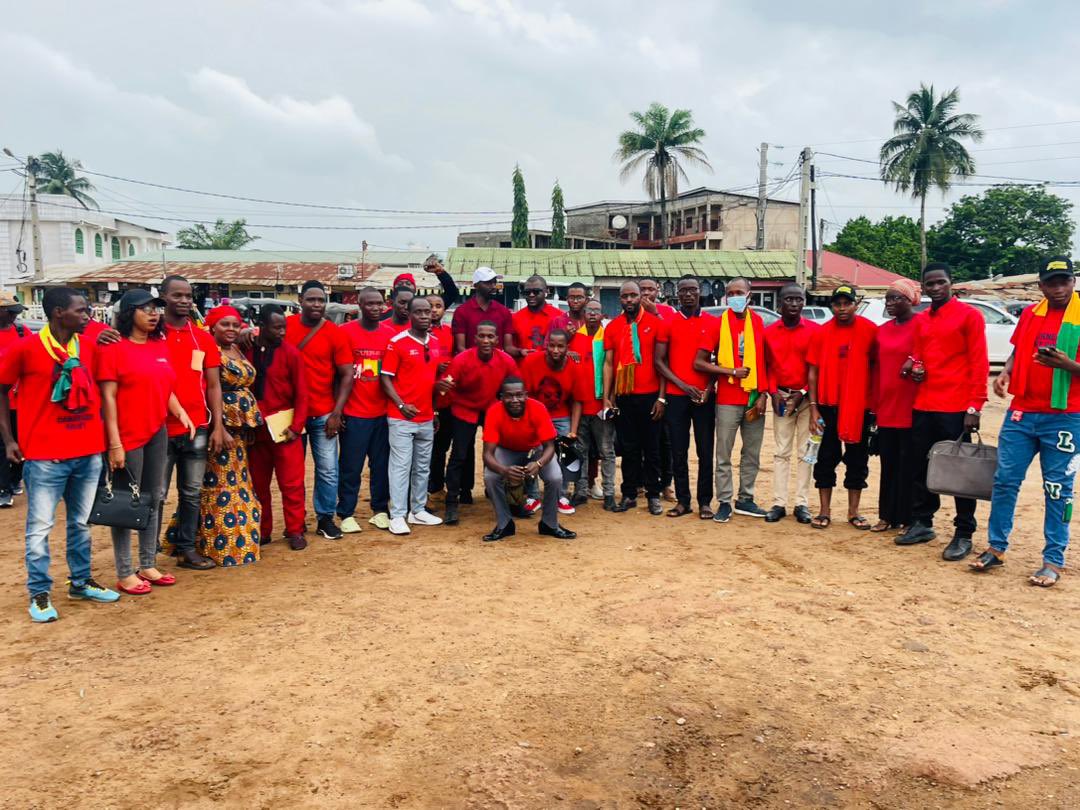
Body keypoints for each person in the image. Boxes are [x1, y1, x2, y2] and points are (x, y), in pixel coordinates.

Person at [0, 287, 119, 621]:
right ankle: (39, 593)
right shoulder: (25, 348)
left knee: (81, 524)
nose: (88, 316)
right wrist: (9, 439)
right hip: (44, 456)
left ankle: (80, 582)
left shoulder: (90, 345)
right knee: (39, 527)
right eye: (81, 311)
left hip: (87, 451)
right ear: (58, 313)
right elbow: (1, 388)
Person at [971, 257, 1080, 587]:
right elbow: (1019, 350)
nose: (1059, 288)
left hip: (1065, 416)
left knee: (1058, 489)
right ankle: (996, 547)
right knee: (1004, 481)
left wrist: (1068, 365)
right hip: (1022, 412)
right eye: (1052, 282)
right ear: (1042, 286)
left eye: (1065, 281)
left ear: (1073, 281)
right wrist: (1005, 373)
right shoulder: (1032, 314)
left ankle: (1053, 559)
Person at [98, 289, 196, 595]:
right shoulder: (114, 348)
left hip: (157, 431)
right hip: (127, 435)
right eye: (145, 309)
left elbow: (164, 387)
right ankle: (125, 571)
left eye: (155, 308)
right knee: (127, 503)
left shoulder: (159, 345)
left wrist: (181, 413)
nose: (153, 314)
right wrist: (114, 443)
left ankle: (147, 563)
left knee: (154, 497)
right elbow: (108, 398)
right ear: (129, 313)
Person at [896, 263, 988, 560]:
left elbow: (979, 362)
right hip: (923, 403)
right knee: (921, 467)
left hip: (956, 406)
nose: (935, 288)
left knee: (961, 473)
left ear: (951, 283)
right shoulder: (922, 320)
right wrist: (914, 367)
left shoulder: (969, 316)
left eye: (940, 282)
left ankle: (964, 532)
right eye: (929, 284)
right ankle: (922, 522)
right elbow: (919, 354)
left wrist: (975, 406)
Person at [181, 306, 263, 566]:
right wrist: (219, 427)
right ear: (212, 327)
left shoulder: (236, 347)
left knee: (237, 481)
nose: (231, 329)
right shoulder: (208, 350)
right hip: (221, 427)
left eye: (235, 325)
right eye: (224, 324)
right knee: (219, 484)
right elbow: (207, 386)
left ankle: (239, 542)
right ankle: (221, 545)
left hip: (240, 431)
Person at [158, 275, 227, 571]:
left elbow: (213, 385)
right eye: (177, 295)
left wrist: (218, 425)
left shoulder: (202, 337)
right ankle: (146, 557)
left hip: (196, 427)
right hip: (157, 428)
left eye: (188, 295)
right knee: (156, 495)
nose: (184, 300)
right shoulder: (151, 334)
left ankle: (187, 549)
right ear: (162, 297)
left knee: (191, 492)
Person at [693, 277, 769, 523]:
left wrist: (763, 394)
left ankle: (745, 498)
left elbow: (764, 362)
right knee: (723, 452)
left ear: (749, 295)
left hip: (753, 397)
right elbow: (699, 361)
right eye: (730, 292)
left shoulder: (758, 323)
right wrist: (729, 371)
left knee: (752, 453)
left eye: (739, 292)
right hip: (727, 398)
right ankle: (725, 501)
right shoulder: (718, 324)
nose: (735, 296)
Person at [285, 280, 354, 541]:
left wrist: (337, 412)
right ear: (300, 301)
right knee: (294, 472)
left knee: (327, 468)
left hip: (324, 412)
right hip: (291, 414)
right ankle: (296, 521)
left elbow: (346, 374)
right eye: (311, 299)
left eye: (320, 300)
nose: (316, 304)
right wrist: (249, 333)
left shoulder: (334, 333)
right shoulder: (286, 327)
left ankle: (325, 518)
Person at [806, 285, 877, 530]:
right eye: (838, 304)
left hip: (859, 408)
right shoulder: (821, 333)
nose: (842, 308)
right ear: (831, 306)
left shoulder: (870, 331)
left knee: (857, 460)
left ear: (856, 304)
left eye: (847, 303)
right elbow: (812, 372)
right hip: (827, 406)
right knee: (825, 459)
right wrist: (813, 407)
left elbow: (877, 369)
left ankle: (853, 512)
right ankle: (824, 511)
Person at [436, 320, 517, 525]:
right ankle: (452, 501)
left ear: (497, 340)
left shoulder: (506, 360)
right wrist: (437, 410)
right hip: (464, 407)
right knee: (460, 454)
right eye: (482, 336)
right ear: (475, 339)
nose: (486, 340)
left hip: (491, 406)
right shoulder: (462, 360)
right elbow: (445, 388)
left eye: (491, 336)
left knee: (500, 451)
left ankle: (505, 496)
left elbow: (517, 385)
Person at [481, 377, 575, 541]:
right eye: (509, 396)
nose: (515, 400)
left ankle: (549, 524)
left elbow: (550, 446)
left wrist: (539, 464)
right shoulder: (494, 411)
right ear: (501, 397)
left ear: (526, 395)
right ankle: (504, 524)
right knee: (491, 476)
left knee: (555, 477)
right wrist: (504, 470)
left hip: (536, 450)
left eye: (519, 395)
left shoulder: (538, 408)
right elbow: (487, 454)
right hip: (507, 450)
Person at [247, 304, 309, 551]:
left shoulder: (291, 354)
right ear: (261, 326)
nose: (282, 332)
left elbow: (303, 394)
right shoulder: (246, 350)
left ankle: (295, 529)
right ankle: (263, 531)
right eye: (277, 328)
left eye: (284, 327)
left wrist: (296, 426)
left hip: (285, 431)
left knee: (292, 484)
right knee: (258, 485)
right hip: (256, 432)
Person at [655, 276, 717, 519]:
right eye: (684, 291)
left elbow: (719, 361)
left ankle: (704, 501)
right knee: (678, 450)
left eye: (693, 290)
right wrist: (682, 385)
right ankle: (683, 501)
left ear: (700, 292)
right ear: (676, 294)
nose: (688, 295)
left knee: (705, 450)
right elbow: (659, 361)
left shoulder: (713, 323)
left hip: (704, 397)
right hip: (676, 395)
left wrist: (709, 388)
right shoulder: (668, 323)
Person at [381, 296, 443, 535]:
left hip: (426, 417)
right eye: (419, 312)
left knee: (422, 467)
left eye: (428, 312)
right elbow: (385, 378)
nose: (425, 316)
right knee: (400, 466)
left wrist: (435, 410)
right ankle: (397, 514)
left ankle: (417, 511)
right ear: (409, 313)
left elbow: (429, 381)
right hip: (401, 418)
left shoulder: (435, 342)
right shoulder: (397, 343)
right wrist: (400, 405)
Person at [603, 280, 666, 515]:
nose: (629, 300)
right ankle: (629, 494)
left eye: (633, 295)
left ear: (641, 297)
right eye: (624, 296)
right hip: (624, 396)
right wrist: (607, 398)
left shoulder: (655, 324)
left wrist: (661, 398)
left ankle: (652, 495)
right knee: (628, 448)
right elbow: (609, 363)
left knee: (652, 449)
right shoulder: (613, 327)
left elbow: (662, 364)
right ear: (620, 299)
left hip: (650, 396)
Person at [337, 288, 393, 532]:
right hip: (354, 413)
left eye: (379, 304)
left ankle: (380, 510)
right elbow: (337, 375)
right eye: (369, 304)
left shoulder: (390, 335)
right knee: (351, 466)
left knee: (381, 466)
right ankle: (346, 512)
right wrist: (337, 411)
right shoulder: (345, 333)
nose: (375, 308)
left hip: (382, 413)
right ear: (359, 305)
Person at [762, 284, 819, 525]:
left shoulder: (815, 331)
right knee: (781, 451)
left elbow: (815, 369)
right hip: (782, 399)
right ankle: (779, 502)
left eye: (799, 299)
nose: (794, 304)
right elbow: (768, 366)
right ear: (780, 304)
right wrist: (773, 392)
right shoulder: (769, 332)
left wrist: (803, 393)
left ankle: (802, 503)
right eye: (789, 300)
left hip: (807, 399)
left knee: (806, 453)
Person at [869, 279, 920, 534]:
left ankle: (908, 518)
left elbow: (928, 354)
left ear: (909, 300)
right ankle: (886, 515)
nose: (890, 303)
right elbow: (876, 369)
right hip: (887, 405)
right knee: (888, 464)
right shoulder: (883, 330)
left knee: (908, 464)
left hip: (912, 405)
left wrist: (913, 360)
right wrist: (874, 406)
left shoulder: (921, 326)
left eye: (895, 298)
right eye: (887, 299)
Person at [520, 328, 582, 516]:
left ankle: (560, 496)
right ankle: (532, 495)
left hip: (561, 415)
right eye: (552, 346)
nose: (555, 350)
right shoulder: (531, 362)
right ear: (546, 346)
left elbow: (577, 400)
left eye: (560, 346)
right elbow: (523, 396)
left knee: (564, 453)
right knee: (533, 452)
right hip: (534, 414)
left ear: (567, 348)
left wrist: (573, 430)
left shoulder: (573, 367)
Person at [569, 299, 617, 510]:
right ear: (583, 314)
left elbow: (613, 369)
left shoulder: (607, 337)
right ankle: (580, 491)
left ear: (602, 315)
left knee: (606, 451)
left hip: (600, 405)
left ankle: (609, 494)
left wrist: (610, 399)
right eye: (589, 311)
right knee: (580, 450)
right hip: (579, 404)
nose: (592, 314)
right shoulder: (574, 338)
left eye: (597, 311)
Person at [0, 291, 29, 508]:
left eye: (15, 312)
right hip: (2, 400)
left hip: (21, 400)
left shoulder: (21, 332)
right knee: (2, 445)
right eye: (9, 312)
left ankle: (14, 478)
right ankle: (4, 488)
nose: (13, 316)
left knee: (22, 444)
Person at [452, 267, 514, 353]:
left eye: (494, 282)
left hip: (497, 365)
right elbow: (460, 348)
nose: (493, 286)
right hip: (470, 364)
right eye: (488, 283)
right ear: (476, 285)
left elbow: (508, 347)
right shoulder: (462, 312)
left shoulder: (504, 312)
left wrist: (521, 351)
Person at [379, 258, 459, 320]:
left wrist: (440, 273)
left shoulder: (425, 307)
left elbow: (451, 294)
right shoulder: (382, 314)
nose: (404, 285)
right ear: (394, 290)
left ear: (415, 289)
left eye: (408, 283)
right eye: (399, 283)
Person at [509, 275, 562, 362]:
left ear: (546, 291)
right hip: (524, 370)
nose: (531, 295)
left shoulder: (559, 316)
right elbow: (510, 347)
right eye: (527, 292)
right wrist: (520, 352)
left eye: (536, 292)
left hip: (551, 370)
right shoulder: (515, 318)